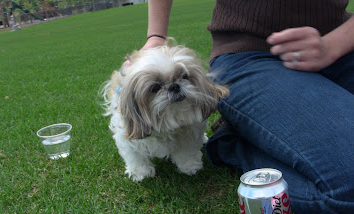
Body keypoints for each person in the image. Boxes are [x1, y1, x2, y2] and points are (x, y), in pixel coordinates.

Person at [136, 1, 354, 213]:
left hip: (344, 42)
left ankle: (255, 135)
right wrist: (156, 36)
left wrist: (333, 44)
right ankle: (235, 144)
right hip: (251, 52)